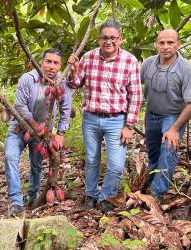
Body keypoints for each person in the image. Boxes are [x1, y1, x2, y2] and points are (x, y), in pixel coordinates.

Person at [68, 20, 142, 213]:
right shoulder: (88, 57)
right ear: (99, 39)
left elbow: (135, 95)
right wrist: (74, 70)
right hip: (91, 118)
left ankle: (106, 197)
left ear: (120, 39)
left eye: (113, 38)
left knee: (116, 164)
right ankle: (91, 195)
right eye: (104, 37)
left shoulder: (130, 61)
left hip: (116, 119)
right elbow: (75, 84)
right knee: (92, 159)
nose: (108, 41)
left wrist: (129, 126)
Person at [5, 48, 72, 216]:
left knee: (36, 165)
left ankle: (33, 196)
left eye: (55, 63)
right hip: (18, 128)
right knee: (10, 157)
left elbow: (66, 108)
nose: (51, 66)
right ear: (41, 62)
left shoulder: (61, 83)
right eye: (48, 61)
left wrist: (61, 133)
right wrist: (35, 125)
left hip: (43, 133)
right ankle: (15, 201)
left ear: (60, 65)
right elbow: (19, 105)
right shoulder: (28, 79)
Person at [141, 29, 191, 203]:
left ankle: (157, 193)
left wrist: (175, 128)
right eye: (161, 43)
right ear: (156, 45)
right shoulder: (148, 64)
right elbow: (134, 86)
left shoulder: (187, 69)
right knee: (153, 153)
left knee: (168, 148)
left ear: (178, 44)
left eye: (170, 43)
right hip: (151, 114)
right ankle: (152, 182)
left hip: (173, 116)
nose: (165, 47)